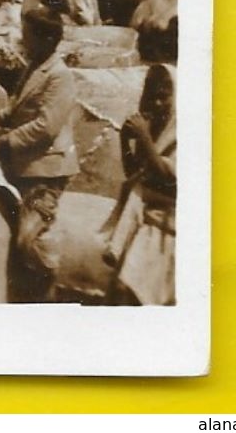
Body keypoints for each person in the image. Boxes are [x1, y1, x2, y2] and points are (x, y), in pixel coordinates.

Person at [0, 8, 80, 302]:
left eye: (28, 35)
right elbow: (14, 111)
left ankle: (49, 294)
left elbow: (45, 127)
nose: (23, 41)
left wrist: (2, 143)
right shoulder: (33, 68)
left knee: (29, 240)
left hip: (45, 169)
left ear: (47, 38)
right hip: (23, 163)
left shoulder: (60, 76)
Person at [103, 62, 176, 305]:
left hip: (168, 227)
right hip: (145, 221)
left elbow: (169, 178)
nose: (156, 105)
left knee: (132, 291)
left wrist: (144, 138)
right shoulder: (158, 130)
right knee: (121, 289)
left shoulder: (184, 134)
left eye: (163, 98)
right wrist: (126, 142)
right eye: (151, 97)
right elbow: (136, 175)